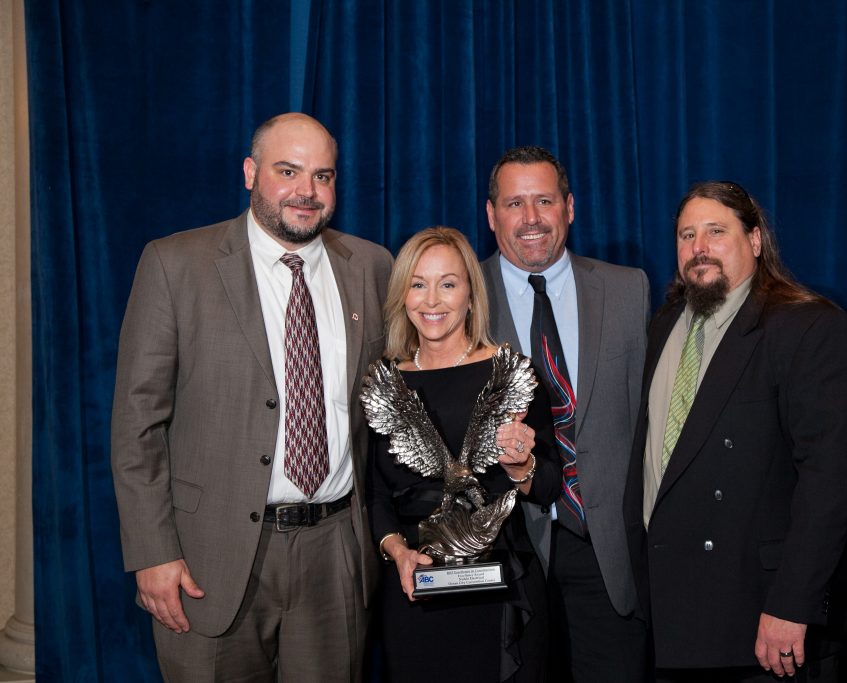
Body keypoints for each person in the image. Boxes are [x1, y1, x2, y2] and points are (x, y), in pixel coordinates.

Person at [110, 112, 392, 681]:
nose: (306, 192)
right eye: (288, 171)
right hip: (207, 557)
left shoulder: (371, 266)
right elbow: (136, 423)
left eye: (323, 175)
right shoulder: (175, 264)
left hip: (335, 553)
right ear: (249, 172)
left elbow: (391, 408)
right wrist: (151, 551)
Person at [624, 181, 847, 681]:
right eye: (687, 235)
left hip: (763, 622)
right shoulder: (666, 324)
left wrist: (791, 605)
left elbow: (831, 481)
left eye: (716, 232)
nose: (699, 248)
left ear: (755, 240)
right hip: (674, 616)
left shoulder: (806, 326)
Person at [482, 146, 650, 682]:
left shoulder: (629, 290)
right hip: (508, 552)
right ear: (491, 215)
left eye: (545, 201)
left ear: (570, 207)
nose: (531, 218)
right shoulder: (461, 297)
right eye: (514, 203)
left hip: (604, 549)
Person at [365, 226, 559, 682]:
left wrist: (521, 466)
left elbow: (548, 485)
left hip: (500, 596)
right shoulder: (388, 383)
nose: (432, 300)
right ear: (402, 295)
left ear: (471, 294)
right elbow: (376, 495)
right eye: (418, 284)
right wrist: (398, 553)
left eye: (448, 284)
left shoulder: (512, 373)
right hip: (416, 593)